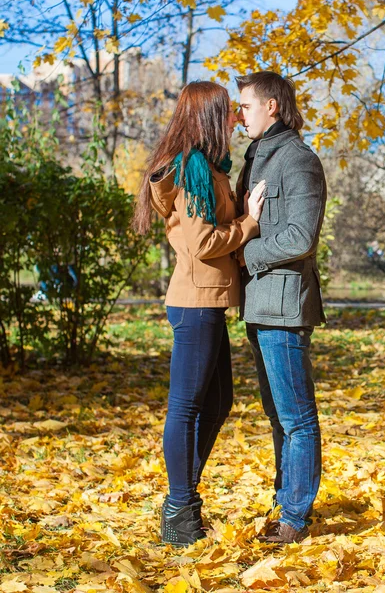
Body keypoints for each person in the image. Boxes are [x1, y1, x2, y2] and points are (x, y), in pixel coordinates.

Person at [133, 81, 265, 547]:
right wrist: (249, 223)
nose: (233, 118)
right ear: (209, 116)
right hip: (195, 303)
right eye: (227, 111)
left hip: (205, 301)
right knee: (188, 407)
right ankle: (179, 507)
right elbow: (203, 242)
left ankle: (183, 498)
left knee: (216, 403)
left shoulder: (205, 168)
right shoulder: (194, 172)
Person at [235, 71, 327, 544]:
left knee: (297, 417)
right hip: (259, 305)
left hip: (285, 307)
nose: (239, 114)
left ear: (272, 106)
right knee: (278, 415)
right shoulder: (257, 160)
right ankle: (284, 500)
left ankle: (295, 517)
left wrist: (244, 255)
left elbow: (301, 236)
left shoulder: (298, 159)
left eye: (245, 106)